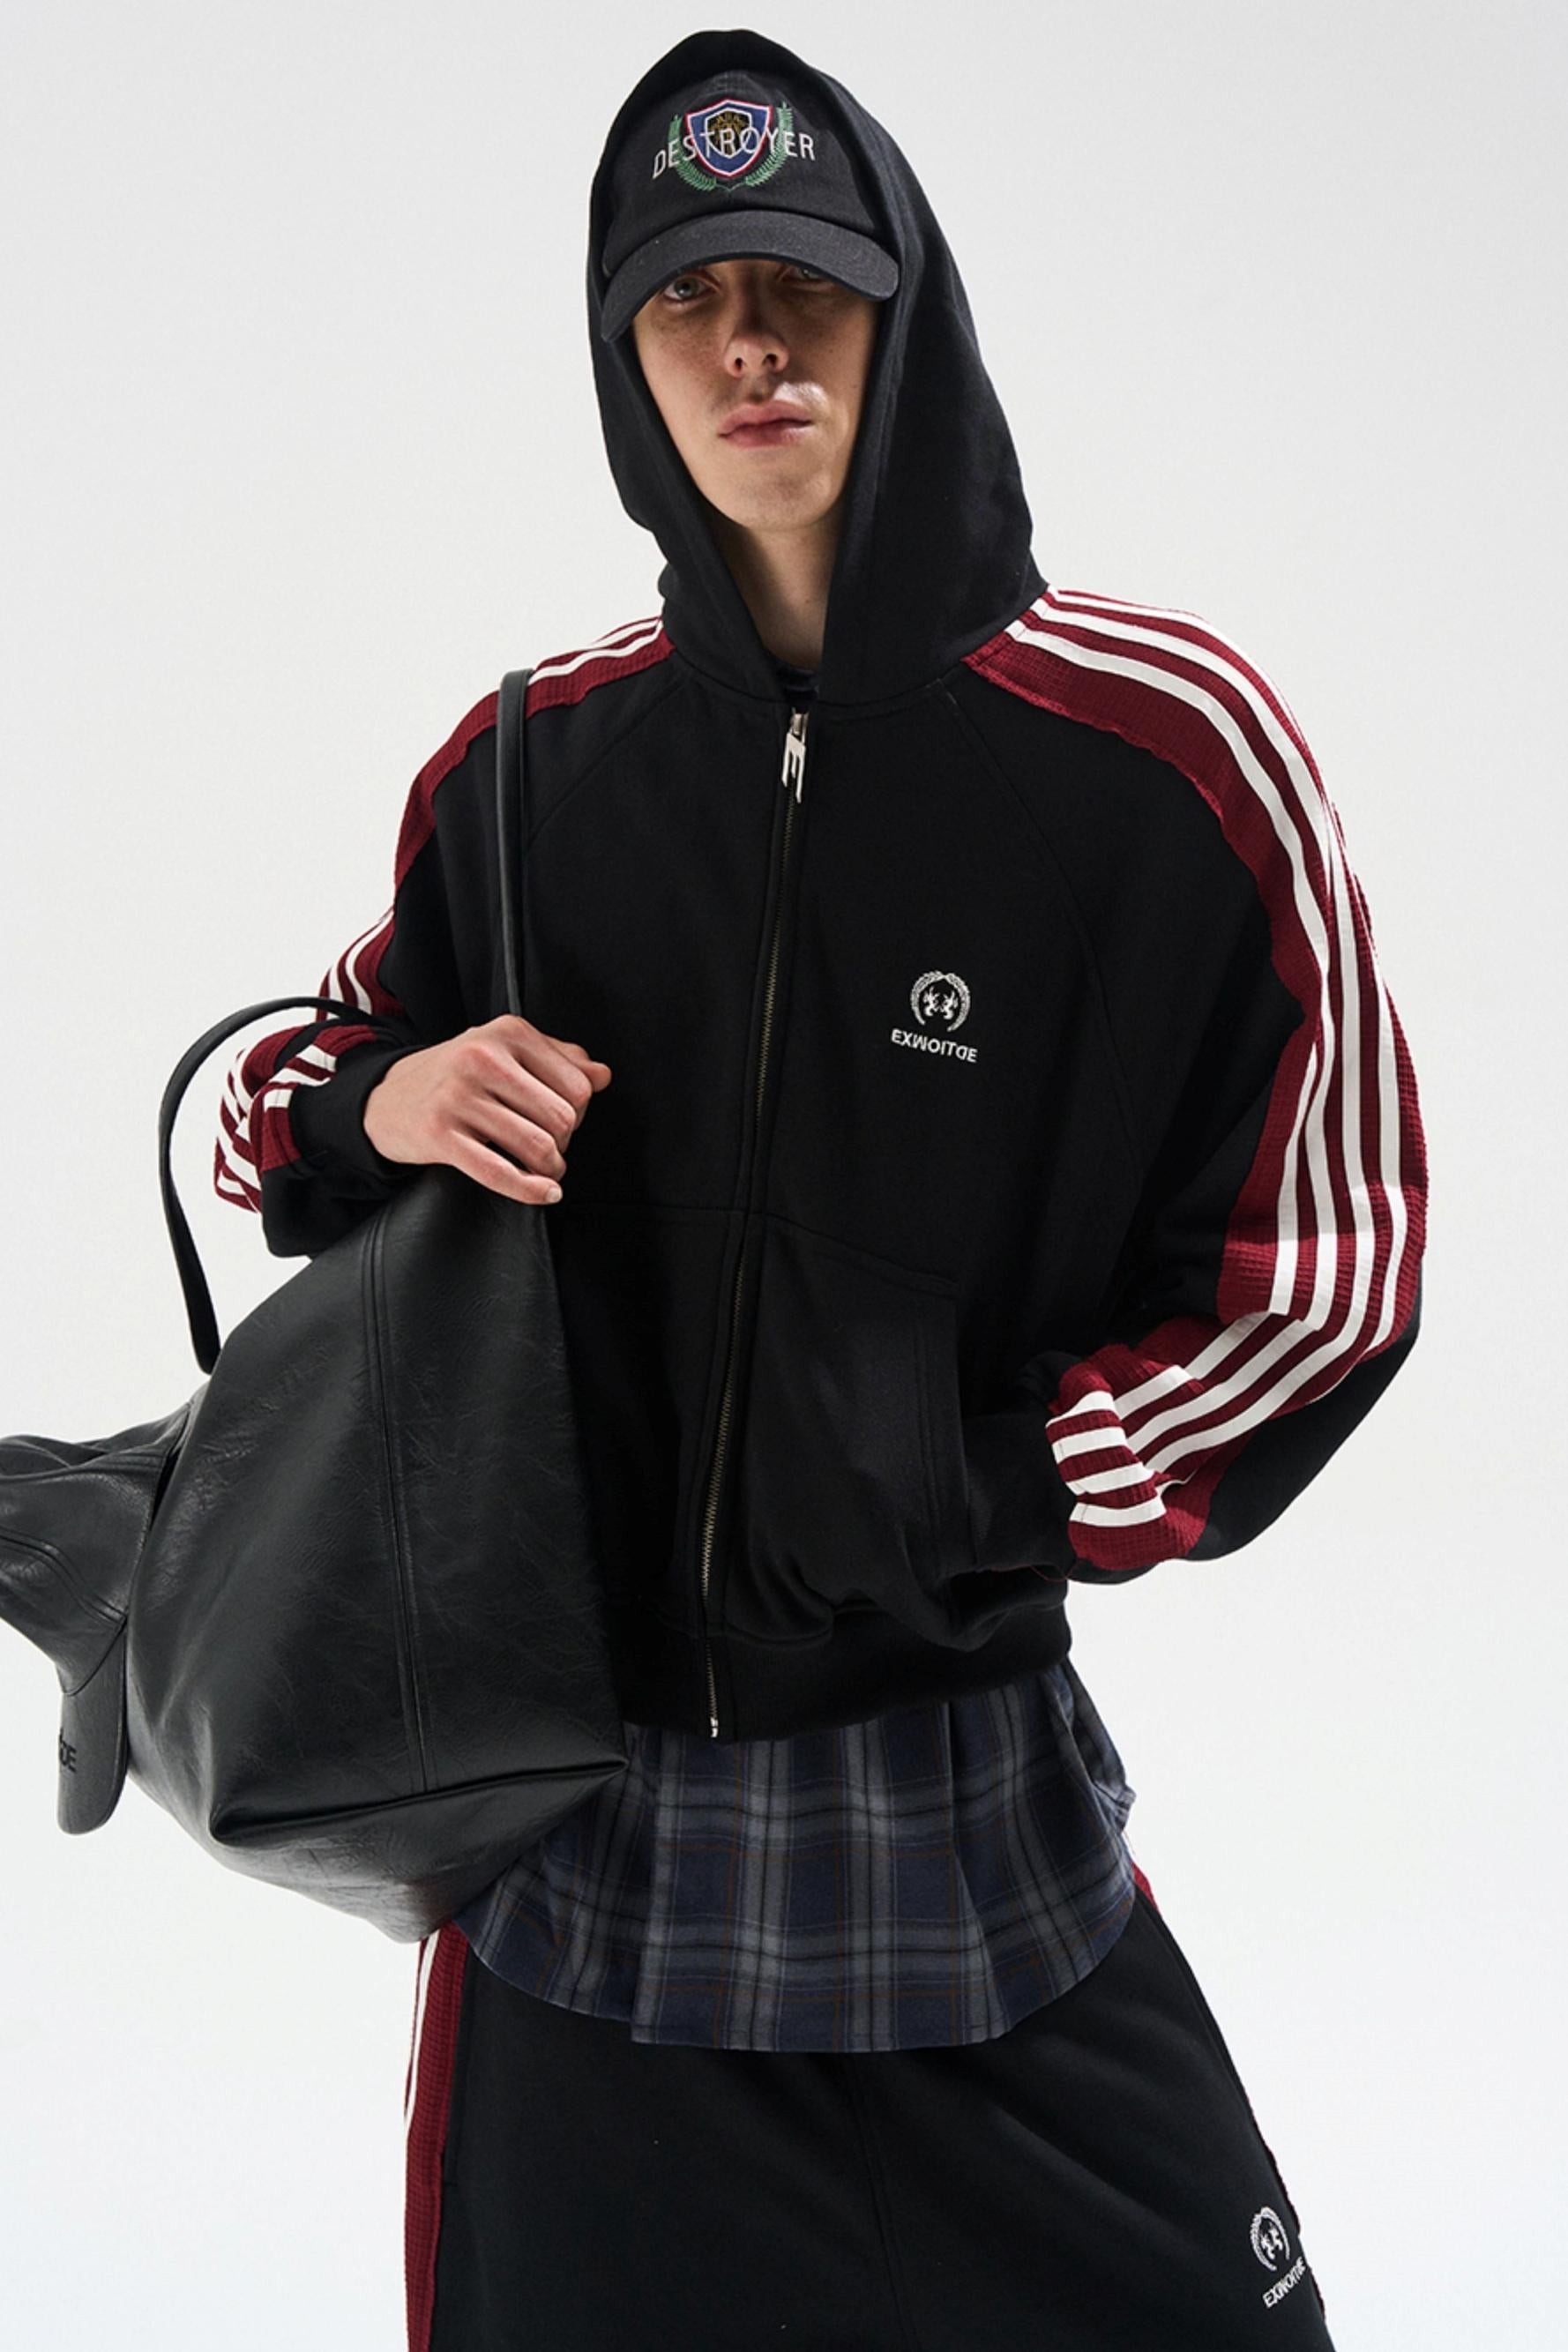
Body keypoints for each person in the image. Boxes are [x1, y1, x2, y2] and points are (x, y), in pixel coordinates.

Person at [213, 28, 1426, 2352]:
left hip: (962, 1827)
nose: (748, 343)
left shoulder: (1163, 751)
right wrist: (381, 1104)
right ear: (624, 360)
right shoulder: (531, 766)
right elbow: (252, 1102)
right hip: (574, 1863)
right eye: (685, 298)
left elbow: (1327, 1267)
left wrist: (988, 1483)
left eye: (804, 285)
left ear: (909, 316)